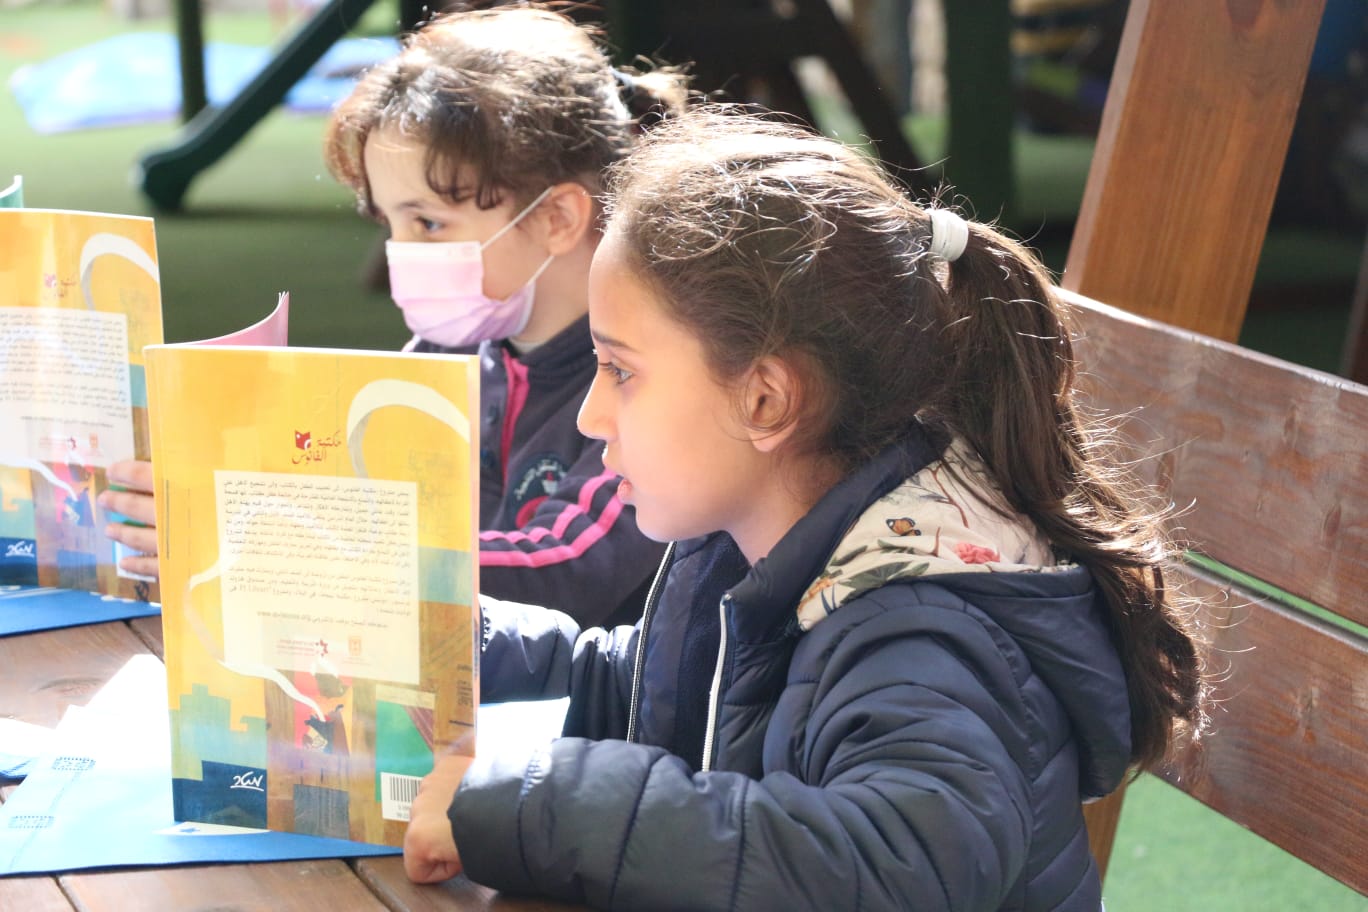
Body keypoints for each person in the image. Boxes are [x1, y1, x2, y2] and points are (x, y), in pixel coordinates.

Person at [402, 108, 1208, 910]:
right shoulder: (768, 545)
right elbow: (647, 689)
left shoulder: (922, 627)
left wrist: (540, 806)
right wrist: (458, 641)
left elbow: (890, 864)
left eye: (620, 371)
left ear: (765, 400)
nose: (590, 416)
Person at [100, 6, 685, 628]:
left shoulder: (645, 380)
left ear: (557, 218)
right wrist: (214, 494)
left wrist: (286, 553)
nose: (399, 254)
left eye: (428, 222)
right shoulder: (450, 347)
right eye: (390, 223)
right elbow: (350, 493)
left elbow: (565, 570)